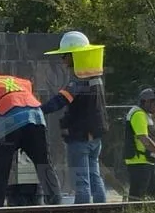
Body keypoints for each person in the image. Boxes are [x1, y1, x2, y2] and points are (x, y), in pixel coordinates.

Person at [0, 66, 62, 207]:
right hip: (36, 117)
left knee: (0, 167)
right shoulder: (13, 80)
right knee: (43, 163)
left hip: (9, 120)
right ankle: (56, 205)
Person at [40, 31, 110, 204]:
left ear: (74, 56)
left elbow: (59, 101)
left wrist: (37, 110)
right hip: (95, 137)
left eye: (65, 56)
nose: (63, 60)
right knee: (95, 176)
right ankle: (102, 212)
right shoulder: (96, 79)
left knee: (81, 181)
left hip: (80, 138)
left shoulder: (79, 83)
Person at [123, 87, 155, 201]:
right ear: (145, 102)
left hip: (145, 161)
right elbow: (145, 140)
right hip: (138, 161)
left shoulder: (144, 114)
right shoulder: (138, 114)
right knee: (137, 197)